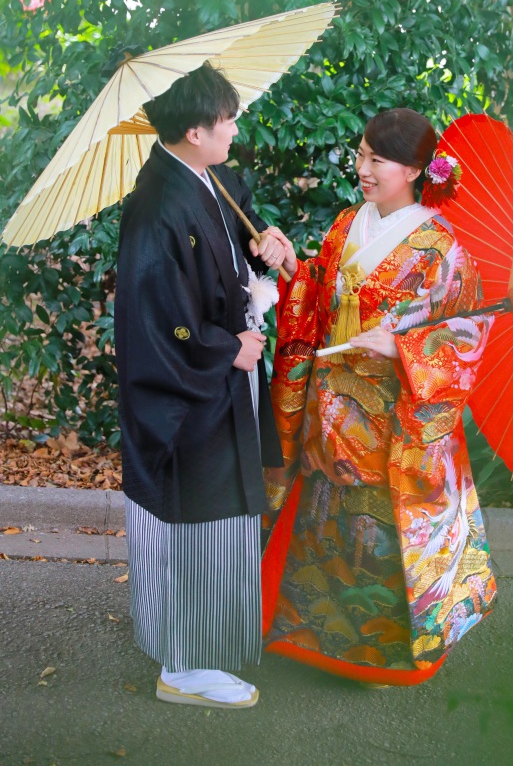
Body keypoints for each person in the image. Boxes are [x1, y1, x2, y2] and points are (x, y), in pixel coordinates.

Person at [260, 107, 497, 687]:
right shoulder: (348, 224)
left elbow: (469, 330)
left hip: (390, 417)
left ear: (416, 169)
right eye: (361, 154)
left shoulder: (442, 250)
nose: (362, 168)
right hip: (330, 407)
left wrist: (404, 349)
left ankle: (384, 655)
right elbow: (321, 291)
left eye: (378, 160)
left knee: (378, 535)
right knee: (325, 522)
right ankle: (314, 634)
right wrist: (294, 265)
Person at [114, 62, 289, 709]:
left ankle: (191, 643)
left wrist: (265, 246)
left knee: (217, 519)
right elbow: (158, 321)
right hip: (187, 395)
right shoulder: (155, 207)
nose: (235, 128)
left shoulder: (212, 179)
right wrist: (227, 347)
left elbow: (230, 258)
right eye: (227, 120)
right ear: (194, 129)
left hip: (222, 383)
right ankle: (186, 668)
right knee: (196, 517)